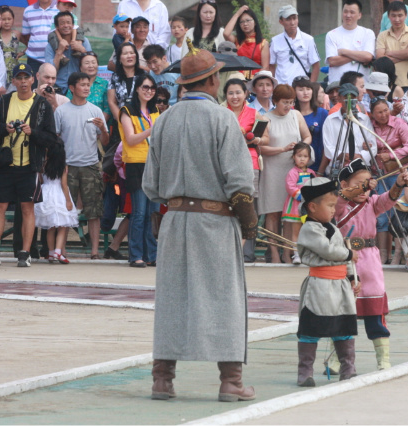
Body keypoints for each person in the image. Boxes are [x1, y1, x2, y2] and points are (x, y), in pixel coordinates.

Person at [143, 40, 258, 402]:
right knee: (224, 297)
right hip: (215, 221)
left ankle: (162, 379)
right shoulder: (223, 117)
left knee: (173, 298)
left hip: (175, 220)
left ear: (183, 84)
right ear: (211, 81)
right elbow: (240, 184)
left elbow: (150, 186)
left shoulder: (164, 121)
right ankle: (231, 382)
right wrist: (249, 223)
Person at [336, 159, 408, 370]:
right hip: (345, 260)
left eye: (368, 183)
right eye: (358, 184)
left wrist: (398, 183)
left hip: (369, 262)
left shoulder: (371, 202)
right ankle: (337, 360)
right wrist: (355, 190)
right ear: (343, 184)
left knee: (375, 313)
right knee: (343, 315)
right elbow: (339, 203)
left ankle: (383, 360)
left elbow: (388, 199)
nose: (365, 188)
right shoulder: (338, 205)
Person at [0, 63, 57, 267]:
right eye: (19, 78)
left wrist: (33, 132)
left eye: (26, 78)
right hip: (6, 163)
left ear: (34, 79)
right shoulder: (5, 101)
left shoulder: (42, 104)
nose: (23, 82)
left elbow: (50, 137)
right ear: (13, 81)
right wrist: (5, 129)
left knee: (27, 208)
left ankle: (25, 252)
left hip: (29, 165)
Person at [295, 177, 359, 387]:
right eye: (330, 205)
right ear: (312, 207)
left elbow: (343, 256)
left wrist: (351, 277)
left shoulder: (333, 227)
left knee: (344, 328)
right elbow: (327, 250)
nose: (334, 210)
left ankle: (348, 368)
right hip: (320, 286)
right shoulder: (309, 228)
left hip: (340, 286)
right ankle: (305, 373)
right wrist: (349, 254)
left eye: (334, 205)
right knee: (311, 329)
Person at [55, 71, 108, 260]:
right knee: (65, 209)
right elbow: (56, 139)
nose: (86, 88)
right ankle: (63, 250)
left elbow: (106, 140)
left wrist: (102, 128)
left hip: (90, 165)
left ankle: (95, 250)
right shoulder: (61, 111)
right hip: (67, 166)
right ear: (71, 88)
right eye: (82, 84)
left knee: (94, 209)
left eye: (88, 85)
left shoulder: (95, 110)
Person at [260, 84, 312, 264]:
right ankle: (274, 254)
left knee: (292, 213)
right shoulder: (264, 118)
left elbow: (307, 136)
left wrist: (301, 149)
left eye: (291, 102)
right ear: (275, 101)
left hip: (294, 170)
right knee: (273, 212)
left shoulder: (296, 115)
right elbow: (260, 147)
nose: (288, 106)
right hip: (273, 169)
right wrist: (282, 149)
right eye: (285, 102)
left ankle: (288, 253)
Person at [224, 77, 269, 263]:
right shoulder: (220, 113)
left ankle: (247, 253)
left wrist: (255, 139)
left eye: (238, 92)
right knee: (227, 206)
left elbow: (266, 139)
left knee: (249, 206)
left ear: (245, 94)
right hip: (225, 163)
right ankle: (228, 250)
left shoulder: (254, 113)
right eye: (230, 93)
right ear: (225, 95)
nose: (235, 96)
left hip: (250, 162)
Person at [118, 73, 158, 267]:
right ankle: (135, 255)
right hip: (135, 164)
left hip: (154, 164)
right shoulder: (127, 110)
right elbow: (131, 139)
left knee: (151, 212)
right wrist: (152, 130)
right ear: (137, 89)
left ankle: (151, 254)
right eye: (145, 87)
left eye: (152, 88)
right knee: (139, 212)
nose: (148, 91)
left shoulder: (155, 110)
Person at [370, 97, 408, 264]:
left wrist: (389, 155)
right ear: (372, 114)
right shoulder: (369, 126)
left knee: (399, 211)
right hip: (378, 173)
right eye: (379, 112)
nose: (383, 115)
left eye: (385, 111)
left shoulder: (399, 123)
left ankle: (399, 255)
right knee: (381, 213)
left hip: (397, 173)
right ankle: (383, 254)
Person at [319, 83, 377, 179]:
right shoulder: (330, 120)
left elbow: (373, 146)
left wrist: (360, 157)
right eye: (346, 97)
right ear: (340, 98)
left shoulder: (364, 119)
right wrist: (343, 156)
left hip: (361, 170)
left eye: (353, 97)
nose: (349, 100)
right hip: (339, 170)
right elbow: (328, 147)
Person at [34, 141, 78, 264]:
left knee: (51, 227)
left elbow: (41, 179)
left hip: (46, 192)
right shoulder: (63, 166)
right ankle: (58, 251)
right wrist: (68, 201)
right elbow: (64, 184)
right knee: (63, 226)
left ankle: (51, 252)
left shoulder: (44, 164)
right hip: (59, 194)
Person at [325, 0, 375, 83]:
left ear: (359, 15)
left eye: (352, 12)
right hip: (337, 86)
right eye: (345, 12)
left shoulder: (367, 33)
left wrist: (343, 51)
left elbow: (368, 57)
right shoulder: (331, 34)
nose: (348, 15)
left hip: (361, 87)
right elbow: (332, 61)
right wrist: (359, 56)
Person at [375, 1, 408, 89]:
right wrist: (405, 54)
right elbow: (380, 58)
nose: (397, 19)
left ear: (406, 15)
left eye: (400, 15)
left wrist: (389, 52)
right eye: (393, 15)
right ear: (388, 16)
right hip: (387, 84)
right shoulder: (382, 35)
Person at [270, 5, 320, 85]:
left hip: (301, 87)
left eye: (294, 18)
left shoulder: (308, 39)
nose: (292, 22)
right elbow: (271, 66)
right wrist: (273, 86)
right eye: (288, 19)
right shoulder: (275, 41)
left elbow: (316, 65)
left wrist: (310, 86)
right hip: (281, 87)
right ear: (281, 22)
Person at [282, 142, 315, 264]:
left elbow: (314, 186)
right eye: (299, 155)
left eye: (305, 156)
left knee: (307, 231)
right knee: (296, 231)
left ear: (309, 158)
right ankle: (296, 255)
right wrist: (301, 196)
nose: (302, 159)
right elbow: (290, 187)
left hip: (308, 207)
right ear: (294, 157)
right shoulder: (292, 172)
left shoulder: (312, 173)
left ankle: (307, 254)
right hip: (296, 206)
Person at [44, 11, 91, 93]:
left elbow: (91, 64)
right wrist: (59, 51)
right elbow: (50, 71)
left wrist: (82, 49)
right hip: (58, 86)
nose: (66, 25)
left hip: (78, 87)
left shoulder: (84, 41)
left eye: (68, 22)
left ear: (73, 25)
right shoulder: (50, 45)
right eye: (62, 23)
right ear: (57, 27)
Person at [223, 5, 269, 79]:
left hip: (255, 81)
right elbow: (226, 33)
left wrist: (254, 83)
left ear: (255, 22)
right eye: (242, 22)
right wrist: (237, 14)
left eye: (248, 20)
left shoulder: (263, 43)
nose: (245, 24)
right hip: (238, 80)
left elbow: (265, 67)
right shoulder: (237, 40)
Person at [294, 77, 328, 174]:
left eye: (308, 89)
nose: (305, 93)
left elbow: (326, 144)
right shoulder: (291, 113)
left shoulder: (322, 113)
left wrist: (321, 171)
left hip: (317, 166)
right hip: (294, 167)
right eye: (301, 90)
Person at [66, 52, 110, 121]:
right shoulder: (75, 84)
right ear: (80, 67)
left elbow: (107, 109)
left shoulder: (104, 84)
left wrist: (99, 125)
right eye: (87, 63)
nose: (91, 66)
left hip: (99, 126)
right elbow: (67, 104)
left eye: (93, 62)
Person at [21, 0, 60, 76]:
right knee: (34, 86)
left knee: (53, 85)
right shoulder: (28, 11)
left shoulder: (59, 9)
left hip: (55, 57)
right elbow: (26, 35)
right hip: (34, 58)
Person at [47, 0, 84, 66]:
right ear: (57, 6)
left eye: (70, 6)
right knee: (51, 37)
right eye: (64, 5)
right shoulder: (55, 17)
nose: (67, 8)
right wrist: (61, 40)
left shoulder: (74, 17)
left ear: (73, 7)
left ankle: (77, 49)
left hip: (73, 35)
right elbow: (55, 29)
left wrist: (73, 41)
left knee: (80, 31)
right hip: (56, 34)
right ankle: (61, 56)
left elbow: (74, 28)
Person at [0, 6, 22, 88]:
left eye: (9, 19)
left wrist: (23, 52)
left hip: (14, 72)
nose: (6, 22)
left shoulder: (16, 34)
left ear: (13, 20)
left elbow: (31, 42)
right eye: (3, 19)